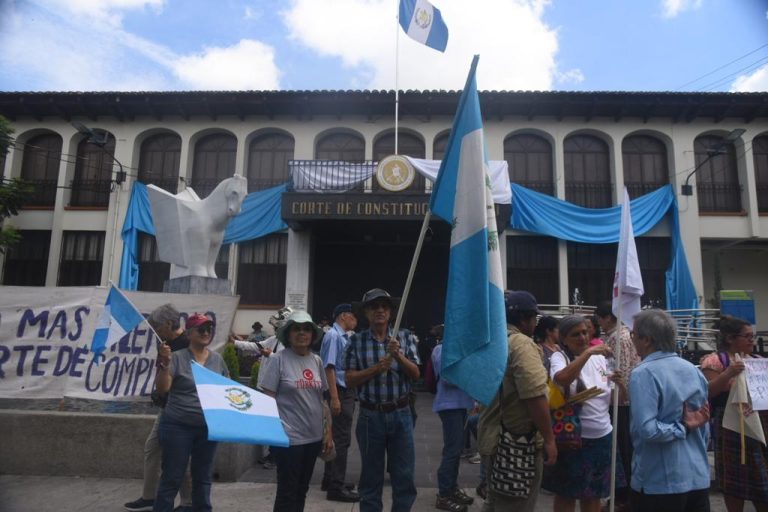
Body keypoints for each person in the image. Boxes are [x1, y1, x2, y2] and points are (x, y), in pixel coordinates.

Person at [477, 290, 556, 512]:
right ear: (524, 319)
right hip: (516, 444)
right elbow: (535, 395)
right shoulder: (521, 344)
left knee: (495, 502)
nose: (535, 324)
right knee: (515, 504)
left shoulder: (493, 341)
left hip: (493, 436)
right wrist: (549, 439)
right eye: (534, 318)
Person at [344, 288, 420, 512]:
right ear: (366, 313)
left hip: (401, 414)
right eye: (374, 306)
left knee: (404, 475)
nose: (379, 310)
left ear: (391, 313)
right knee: (371, 477)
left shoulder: (404, 337)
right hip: (370, 417)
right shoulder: (356, 341)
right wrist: (377, 368)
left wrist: (398, 356)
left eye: (384, 306)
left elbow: (416, 374)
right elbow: (349, 380)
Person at [629, 309, 711, 512]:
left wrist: (682, 427)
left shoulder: (643, 373)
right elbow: (703, 423)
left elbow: (648, 430)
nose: (632, 341)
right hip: (697, 475)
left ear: (646, 339)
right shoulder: (693, 370)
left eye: (634, 335)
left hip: (660, 479)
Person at [542, 314, 625, 512]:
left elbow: (613, 399)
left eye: (585, 332)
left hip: (602, 435)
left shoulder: (600, 360)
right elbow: (561, 379)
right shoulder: (559, 357)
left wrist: (621, 386)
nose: (582, 338)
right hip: (573, 438)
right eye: (575, 334)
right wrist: (587, 353)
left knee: (594, 494)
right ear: (564, 340)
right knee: (567, 494)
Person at [259, 310, 334, 512]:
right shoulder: (278, 360)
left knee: (302, 489)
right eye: (297, 329)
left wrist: (328, 432)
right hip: (289, 439)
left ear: (312, 335)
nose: (302, 333)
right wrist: (274, 434)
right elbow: (268, 398)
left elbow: (322, 399)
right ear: (288, 334)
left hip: (313, 437)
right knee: (287, 491)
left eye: (306, 329)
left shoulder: (316, 361)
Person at [153, 313, 229, 512]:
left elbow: (227, 391)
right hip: (178, 426)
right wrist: (165, 363)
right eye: (201, 329)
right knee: (172, 477)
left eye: (209, 329)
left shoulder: (218, 360)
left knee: (203, 478)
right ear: (189, 333)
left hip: (207, 429)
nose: (206, 333)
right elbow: (163, 388)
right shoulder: (177, 357)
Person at [124, 303, 192, 512]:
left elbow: (183, 379)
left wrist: (166, 360)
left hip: (180, 408)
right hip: (166, 406)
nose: (156, 331)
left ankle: (188, 502)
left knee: (179, 455)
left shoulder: (187, 345)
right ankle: (149, 496)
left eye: (158, 327)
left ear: (169, 323)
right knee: (153, 448)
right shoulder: (165, 343)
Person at [700, 315, 768, 512]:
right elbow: (708, 391)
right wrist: (729, 373)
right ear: (730, 338)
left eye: (752, 336)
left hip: (759, 426)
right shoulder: (715, 361)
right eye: (746, 336)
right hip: (730, 426)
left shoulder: (758, 362)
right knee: (733, 480)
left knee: (761, 478)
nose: (751, 341)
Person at [596, 300, 640, 508]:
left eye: (600, 320)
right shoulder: (625, 335)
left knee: (622, 449)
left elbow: (617, 371)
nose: (599, 324)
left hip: (620, 401)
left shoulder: (617, 338)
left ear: (607, 318)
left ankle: (623, 496)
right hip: (626, 397)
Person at [319, 303, 360, 503]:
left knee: (334, 437)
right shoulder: (333, 336)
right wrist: (335, 397)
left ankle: (330, 479)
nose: (356, 320)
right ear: (344, 316)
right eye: (353, 315)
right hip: (340, 392)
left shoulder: (342, 336)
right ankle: (336, 486)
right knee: (342, 439)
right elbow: (330, 368)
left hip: (342, 391)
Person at [431, 341, 475, 512]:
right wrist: (469, 372)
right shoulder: (442, 349)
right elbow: (446, 377)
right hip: (450, 405)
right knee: (452, 450)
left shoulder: (456, 347)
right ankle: (443, 495)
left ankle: (451, 488)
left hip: (460, 404)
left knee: (456, 450)